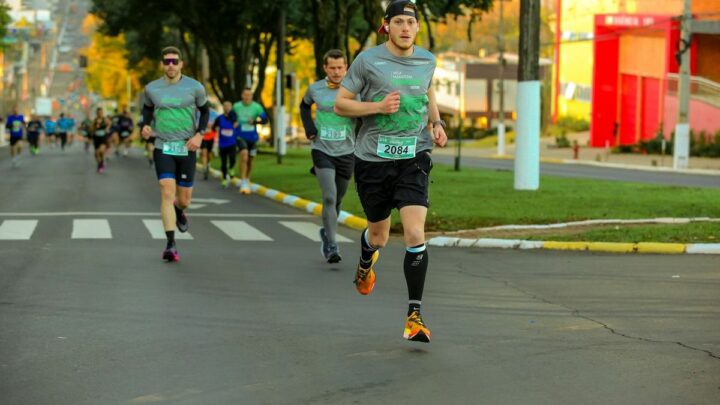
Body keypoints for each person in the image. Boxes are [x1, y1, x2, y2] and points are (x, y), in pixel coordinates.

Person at [334, 0, 448, 343]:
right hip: (373, 159)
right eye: (397, 21)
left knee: (415, 233)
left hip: (414, 157)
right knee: (380, 234)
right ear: (387, 26)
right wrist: (377, 107)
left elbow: (427, 89)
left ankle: (414, 316)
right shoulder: (367, 60)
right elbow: (341, 103)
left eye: (410, 23)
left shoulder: (427, 59)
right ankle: (367, 259)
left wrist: (436, 122)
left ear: (416, 27)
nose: (404, 28)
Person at [141, 46, 210, 262]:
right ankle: (170, 244)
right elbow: (147, 109)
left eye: (174, 61)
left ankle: (180, 211)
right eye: (166, 61)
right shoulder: (152, 88)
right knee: (166, 190)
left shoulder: (195, 87)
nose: (170, 65)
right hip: (163, 146)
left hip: (186, 146)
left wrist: (199, 135)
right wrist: (144, 126)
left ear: (181, 64)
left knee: (184, 199)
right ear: (162, 64)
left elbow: (205, 111)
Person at [300, 49, 355, 263]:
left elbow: (364, 113)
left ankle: (327, 230)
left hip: (347, 152)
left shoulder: (354, 90)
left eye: (340, 67)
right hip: (322, 149)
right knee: (329, 196)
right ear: (325, 68)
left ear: (346, 68)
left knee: (338, 199)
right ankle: (332, 245)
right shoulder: (315, 89)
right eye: (332, 67)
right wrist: (309, 128)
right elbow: (304, 106)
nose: (336, 71)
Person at [232, 87, 268, 194]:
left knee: (251, 159)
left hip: (252, 137)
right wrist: (234, 122)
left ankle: (247, 178)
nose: (247, 97)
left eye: (249, 95)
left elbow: (265, 120)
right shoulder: (236, 106)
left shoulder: (257, 107)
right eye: (245, 95)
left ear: (252, 96)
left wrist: (255, 122)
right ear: (242, 96)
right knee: (244, 155)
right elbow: (230, 117)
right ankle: (243, 181)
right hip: (240, 135)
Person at [212, 101, 238, 187]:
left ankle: (231, 168)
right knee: (223, 163)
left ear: (231, 108)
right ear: (223, 108)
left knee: (233, 159)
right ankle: (224, 179)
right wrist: (216, 129)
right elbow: (213, 127)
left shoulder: (234, 117)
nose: (227, 108)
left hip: (232, 142)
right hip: (222, 143)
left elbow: (237, 126)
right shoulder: (219, 118)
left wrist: (236, 125)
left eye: (229, 106)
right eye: (225, 106)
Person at [92, 108, 111, 172]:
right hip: (96, 138)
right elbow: (92, 128)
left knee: (101, 151)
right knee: (96, 154)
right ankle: (100, 164)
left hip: (103, 137)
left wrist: (107, 129)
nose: (100, 114)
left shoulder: (105, 119)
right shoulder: (95, 120)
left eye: (101, 112)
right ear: (97, 113)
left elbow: (109, 123)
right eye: (98, 112)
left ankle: (101, 164)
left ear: (102, 113)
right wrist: (94, 130)